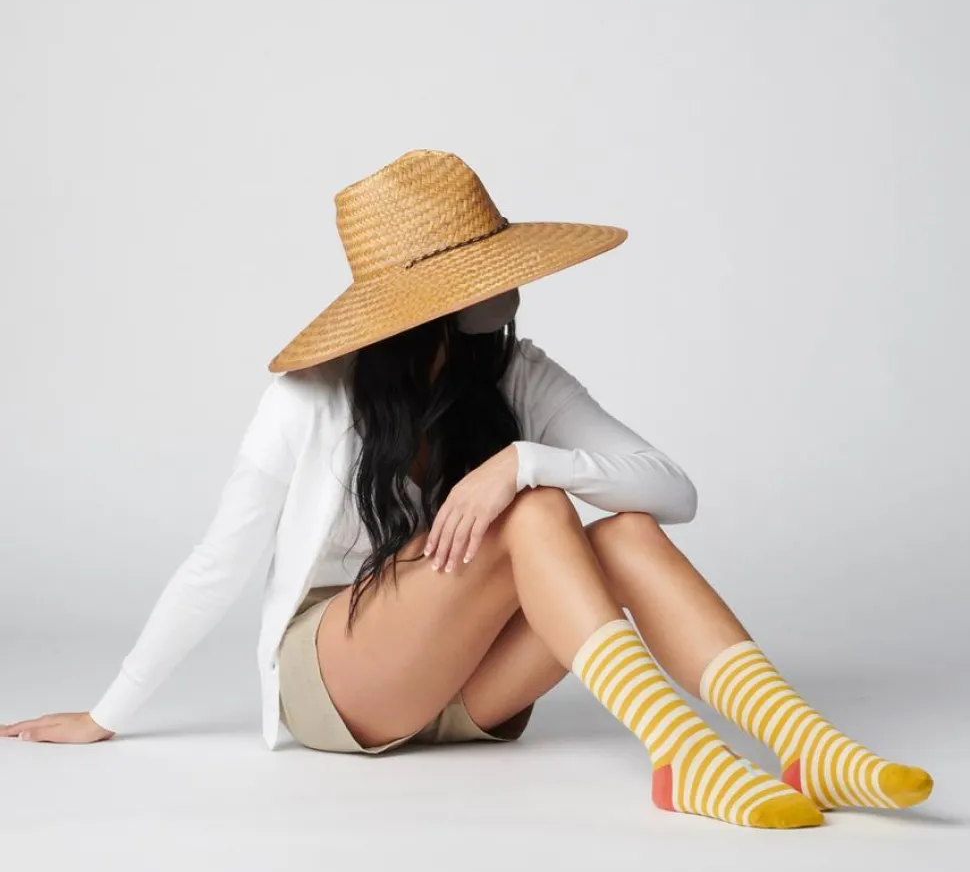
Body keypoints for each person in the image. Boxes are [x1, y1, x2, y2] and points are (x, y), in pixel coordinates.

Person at [2, 149, 932, 829]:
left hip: (473, 688)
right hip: (341, 678)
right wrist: (109, 711)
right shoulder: (311, 398)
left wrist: (521, 459)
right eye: (478, 277)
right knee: (540, 511)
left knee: (625, 530)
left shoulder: (518, 373)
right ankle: (683, 756)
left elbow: (670, 489)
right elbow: (220, 559)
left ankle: (806, 747)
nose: (505, 291)